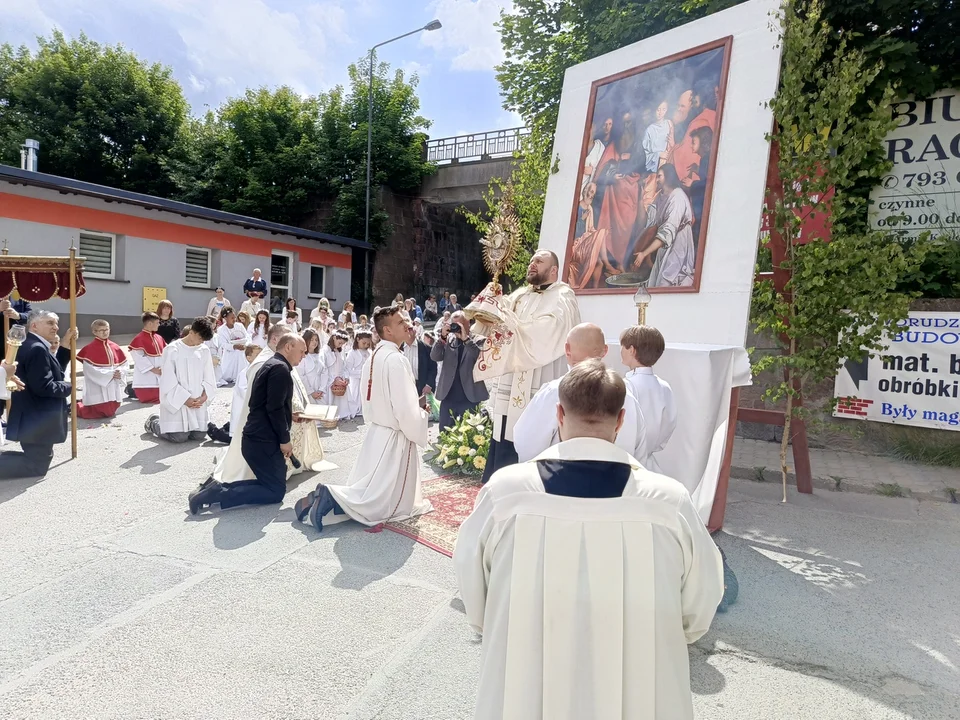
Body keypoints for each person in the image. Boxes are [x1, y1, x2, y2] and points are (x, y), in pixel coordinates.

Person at [453, 359, 724, 720]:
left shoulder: (506, 492)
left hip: (527, 666)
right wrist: (672, 634)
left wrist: (499, 624)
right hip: (638, 674)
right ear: (622, 420)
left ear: (559, 415)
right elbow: (702, 593)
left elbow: (471, 574)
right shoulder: (668, 501)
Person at [295, 306, 432, 530]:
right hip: (395, 434)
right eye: (400, 322)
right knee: (382, 503)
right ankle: (332, 496)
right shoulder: (396, 359)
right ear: (387, 331)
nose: (407, 324)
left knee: (371, 488)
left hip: (378, 431)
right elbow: (405, 408)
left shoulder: (376, 355)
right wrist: (421, 416)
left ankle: (330, 501)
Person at [474, 250, 581, 483]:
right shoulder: (520, 295)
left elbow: (549, 333)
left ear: (554, 270)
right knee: (503, 438)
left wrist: (512, 324)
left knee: (537, 435)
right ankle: (498, 485)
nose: (532, 264)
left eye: (539, 261)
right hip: (511, 382)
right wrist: (490, 304)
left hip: (539, 378)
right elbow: (494, 323)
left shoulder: (563, 296)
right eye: (531, 260)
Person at [189, 334, 306, 514]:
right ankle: (216, 493)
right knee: (275, 491)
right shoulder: (280, 369)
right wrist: (284, 440)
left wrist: (288, 416)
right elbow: (273, 409)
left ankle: (216, 489)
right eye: (302, 351)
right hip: (262, 441)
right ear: (288, 347)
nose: (304, 356)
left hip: (257, 438)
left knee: (273, 485)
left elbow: (265, 403)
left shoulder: (272, 364)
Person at [513, 322, 646, 462]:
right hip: (620, 480)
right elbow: (641, 448)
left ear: (567, 349)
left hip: (560, 479)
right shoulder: (627, 395)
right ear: (605, 350)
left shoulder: (554, 391)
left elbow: (526, 443)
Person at [208, 324, 293, 484]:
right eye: (287, 339)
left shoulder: (275, 359)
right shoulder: (263, 362)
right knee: (272, 486)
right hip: (258, 428)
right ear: (275, 339)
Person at [0, 310, 75, 478]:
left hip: (34, 416)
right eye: (50, 323)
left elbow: (54, 373)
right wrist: (69, 386)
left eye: (56, 323)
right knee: (36, 465)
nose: (55, 327)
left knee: (38, 460)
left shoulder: (35, 345)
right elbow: (44, 386)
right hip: (36, 417)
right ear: (34, 325)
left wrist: (64, 344)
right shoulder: (36, 348)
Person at [145, 317, 217, 443]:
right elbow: (168, 380)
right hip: (179, 402)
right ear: (192, 332)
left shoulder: (203, 350)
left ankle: (191, 425)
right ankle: (154, 423)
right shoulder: (172, 349)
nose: (201, 342)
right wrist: (185, 399)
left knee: (199, 436)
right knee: (178, 437)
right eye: (200, 338)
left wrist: (204, 397)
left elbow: (209, 376)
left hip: (197, 401)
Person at [629, 164, 696, 288]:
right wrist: (641, 195)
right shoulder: (660, 196)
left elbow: (668, 231)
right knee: (656, 281)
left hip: (679, 244)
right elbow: (650, 222)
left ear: (668, 177)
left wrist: (644, 254)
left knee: (667, 281)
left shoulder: (677, 197)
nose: (657, 180)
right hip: (665, 245)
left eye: (659, 176)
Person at [620, 325, 677, 470]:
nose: (620, 351)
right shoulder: (664, 386)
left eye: (623, 347)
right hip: (650, 463)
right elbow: (669, 424)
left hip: (625, 463)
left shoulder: (626, 386)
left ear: (631, 350)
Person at [431, 311, 487, 431]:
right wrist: (441, 338)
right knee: (445, 435)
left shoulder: (478, 340)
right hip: (448, 396)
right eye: (453, 325)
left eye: (459, 324)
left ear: (468, 324)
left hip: (469, 396)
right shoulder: (449, 340)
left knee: (469, 437)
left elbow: (481, 359)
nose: (456, 328)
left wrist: (466, 340)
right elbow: (435, 356)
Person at [207, 343, 262, 444]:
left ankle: (227, 426)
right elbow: (244, 392)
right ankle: (215, 432)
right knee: (238, 439)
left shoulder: (262, 370)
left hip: (254, 411)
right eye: (257, 355)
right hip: (247, 408)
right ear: (249, 358)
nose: (261, 357)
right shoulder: (245, 373)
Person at [76, 319, 127, 419]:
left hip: (112, 383)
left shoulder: (115, 347)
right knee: (97, 412)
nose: (105, 332)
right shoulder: (89, 349)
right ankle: (76, 407)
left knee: (111, 410)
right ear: (94, 332)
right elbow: (89, 370)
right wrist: (110, 374)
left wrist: (120, 372)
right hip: (99, 384)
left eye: (106, 329)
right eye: (101, 330)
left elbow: (124, 364)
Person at [129, 312, 166, 403]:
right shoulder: (139, 338)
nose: (159, 325)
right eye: (157, 323)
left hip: (160, 371)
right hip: (147, 374)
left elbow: (166, 352)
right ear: (150, 323)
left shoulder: (159, 337)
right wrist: (153, 369)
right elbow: (138, 357)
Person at [343, 330, 372, 420]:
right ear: (358, 339)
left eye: (368, 343)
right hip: (356, 379)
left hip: (367, 380)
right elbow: (347, 369)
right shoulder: (353, 353)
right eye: (364, 342)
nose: (366, 345)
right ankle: (356, 410)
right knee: (357, 395)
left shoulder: (369, 352)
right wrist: (361, 373)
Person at [319, 331, 349, 418]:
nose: (340, 345)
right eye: (340, 343)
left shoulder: (340, 351)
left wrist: (345, 378)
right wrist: (333, 380)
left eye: (343, 344)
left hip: (340, 380)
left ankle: (341, 414)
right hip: (329, 381)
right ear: (334, 338)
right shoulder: (325, 351)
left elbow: (344, 366)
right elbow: (323, 369)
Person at [403, 321, 436, 398]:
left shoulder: (426, 348)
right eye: (406, 329)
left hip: (421, 387)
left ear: (415, 330)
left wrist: (429, 385)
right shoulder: (398, 348)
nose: (408, 332)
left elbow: (433, 368)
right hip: (403, 386)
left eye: (410, 329)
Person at [215, 308, 248, 386]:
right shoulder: (221, 329)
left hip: (241, 351)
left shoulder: (239, 326)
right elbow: (222, 343)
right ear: (225, 318)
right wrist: (233, 346)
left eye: (235, 317)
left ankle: (241, 376)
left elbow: (247, 336)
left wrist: (244, 344)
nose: (234, 319)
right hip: (230, 353)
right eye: (232, 318)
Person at [299, 328, 324, 404]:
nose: (314, 342)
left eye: (316, 340)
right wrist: (311, 392)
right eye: (312, 340)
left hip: (320, 391)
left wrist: (321, 389)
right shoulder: (302, 356)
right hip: (308, 391)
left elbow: (324, 372)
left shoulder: (320, 355)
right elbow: (301, 375)